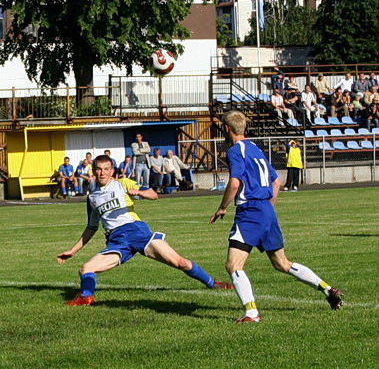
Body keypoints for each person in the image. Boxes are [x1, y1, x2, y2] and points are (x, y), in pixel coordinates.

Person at [209, 111, 343, 323]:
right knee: (282, 263)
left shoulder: (235, 151)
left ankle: (252, 313)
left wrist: (222, 207)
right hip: (266, 211)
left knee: (233, 266)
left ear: (227, 128)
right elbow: (277, 182)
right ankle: (327, 289)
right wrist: (267, 208)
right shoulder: (256, 148)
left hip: (250, 212)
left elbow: (234, 184)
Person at [56, 155, 232, 306]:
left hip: (137, 232)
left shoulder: (122, 183)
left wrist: (140, 193)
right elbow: (91, 227)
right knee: (86, 268)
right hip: (117, 241)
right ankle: (86, 297)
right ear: (93, 171)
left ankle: (212, 283)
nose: (102, 173)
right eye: (99, 169)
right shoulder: (92, 198)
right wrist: (72, 251)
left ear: (112, 171)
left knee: (180, 262)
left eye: (106, 169)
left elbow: (153, 194)